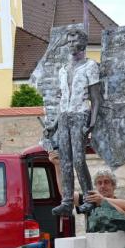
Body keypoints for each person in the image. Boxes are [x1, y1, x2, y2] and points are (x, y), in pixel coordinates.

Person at [48, 27, 100, 217]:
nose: (71, 44)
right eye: (69, 41)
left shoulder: (90, 66)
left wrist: (92, 122)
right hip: (64, 117)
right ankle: (67, 201)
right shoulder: (63, 69)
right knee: (65, 162)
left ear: (83, 43)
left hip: (80, 115)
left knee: (78, 160)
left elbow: (95, 99)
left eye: (74, 41)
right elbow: (62, 101)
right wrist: (54, 125)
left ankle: (89, 198)